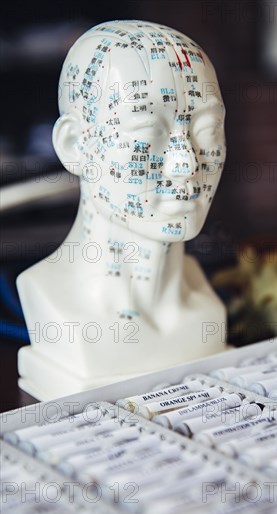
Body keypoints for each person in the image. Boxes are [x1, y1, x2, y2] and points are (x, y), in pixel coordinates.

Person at [17, 20, 227, 399]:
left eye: (207, 131)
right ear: (75, 146)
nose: (186, 166)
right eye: (148, 133)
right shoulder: (54, 305)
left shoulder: (208, 308)